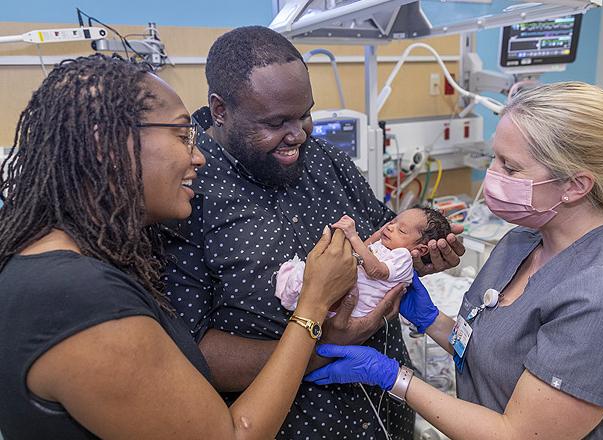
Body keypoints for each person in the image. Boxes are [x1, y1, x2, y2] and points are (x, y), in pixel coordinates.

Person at [0, 54, 358, 439]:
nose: (198, 156)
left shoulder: (50, 264)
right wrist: (313, 304)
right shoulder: (76, 298)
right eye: (181, 134)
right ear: (106, 143)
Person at [306, 82, 603, 439]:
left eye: (510, 167)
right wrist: (433, 321)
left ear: (575, 186)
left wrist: (394, 378)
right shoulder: (519, 244)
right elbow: (487, 353)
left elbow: (518, 434)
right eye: (495, 158)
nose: (492, 175)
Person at [161, 25, 465, 439]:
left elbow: (386, 242)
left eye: (305, 114)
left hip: (386, 417)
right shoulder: (184, 193)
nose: (298, 134)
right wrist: (322, 346)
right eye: (276, 122)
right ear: (220, 109)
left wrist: (415, 259)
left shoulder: (328, 163)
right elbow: (190, 355)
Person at [276, 207, 451, 317]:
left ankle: (298, 294)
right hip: (346, 294)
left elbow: (376, 271)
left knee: (314, 287)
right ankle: (296, 290)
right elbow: (365, 249)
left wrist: (353, 235)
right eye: (393, 221)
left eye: (402, 230)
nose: (391, 227)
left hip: (357, 308)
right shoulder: (386, 246)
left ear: (420, 250)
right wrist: (373, 237)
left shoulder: (403, 258)